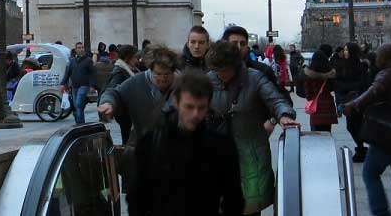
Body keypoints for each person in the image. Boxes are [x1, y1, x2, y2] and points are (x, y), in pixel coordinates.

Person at [129, 71, 243, 216]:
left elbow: (233, 199)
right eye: (189, 107)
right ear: (176, 103)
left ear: (208, 105)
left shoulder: (222, 146)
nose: (195, 114)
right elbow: (137, 196)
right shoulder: (151, 142)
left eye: (201, 107)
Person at [206, 40, 297, 214]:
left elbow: (276, 99)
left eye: (224, 70)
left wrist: (284, 115)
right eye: (217, 70)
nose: (220, 74)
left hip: (251, 153)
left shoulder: (255, 78)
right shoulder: (208, 80)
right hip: (218, 154)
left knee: (250, 205)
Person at [343, 43, 391, 215]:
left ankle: (381, 212)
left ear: (386, 58)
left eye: (379, 55)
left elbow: (372, 92)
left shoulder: (385, 75)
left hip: (387, 134)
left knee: (370, 173)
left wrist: (353, 105)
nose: (376, 58)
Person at [98, 45, 178, 144]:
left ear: (173, 72)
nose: (161, 79)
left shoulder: (184, 85)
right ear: (151, 69)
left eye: (166, 74)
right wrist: (109, 103)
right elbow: (115, 92)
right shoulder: (137, 82)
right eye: (157, 74)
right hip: (146, 147)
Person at [336, 41, 371, 162]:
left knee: (356, 126)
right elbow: (339, 83)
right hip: (348, 101)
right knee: (351, 126)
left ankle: (362, 150)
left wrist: (348, 87)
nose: (345, 52)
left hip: (358, 101)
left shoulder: (361, 66)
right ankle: (361, 149)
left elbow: (364, 83)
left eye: (347, 50)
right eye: (344, 50)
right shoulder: (344, 65)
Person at [103, 44, 139, 144]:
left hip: (129, 112)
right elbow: (112, 90)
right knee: (127, 138)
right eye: (135, 57)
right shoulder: (120, 72)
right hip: (125, 114)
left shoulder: (129, 69)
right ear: (128, 58)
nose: (137, 60)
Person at [302, 49, 338, 133]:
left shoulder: (309, 76)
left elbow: (308, 95)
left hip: (316, 107)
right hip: (328, 105)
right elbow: (333, 87)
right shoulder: (330, 75)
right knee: (327, 132)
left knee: (316, 134)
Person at [60, 42, 95, 125]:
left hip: (84, 85)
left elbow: (92, 73)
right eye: (79, 48)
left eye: (82, 47)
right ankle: (78, 120)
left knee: (79, 103)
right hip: (75, 86)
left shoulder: (88, 60)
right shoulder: (72, 61)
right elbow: (67, 73)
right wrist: (63, 84)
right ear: (76, 50)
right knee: (77, 105)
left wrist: (92, 85)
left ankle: (80, 123)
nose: (81, 49)